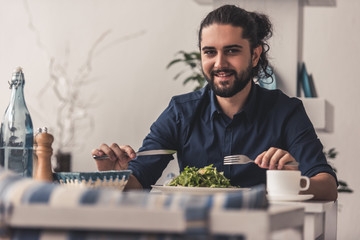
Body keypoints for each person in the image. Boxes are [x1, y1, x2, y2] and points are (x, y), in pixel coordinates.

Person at [92, 5, 338, 200]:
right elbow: (138, 182)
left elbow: (327, 185)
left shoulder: (286, 112)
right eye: (210, 52)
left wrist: (291, 184)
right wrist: (112, 174)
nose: (219, 63)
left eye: (232, 51)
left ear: (254, 55)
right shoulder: (180, 112)